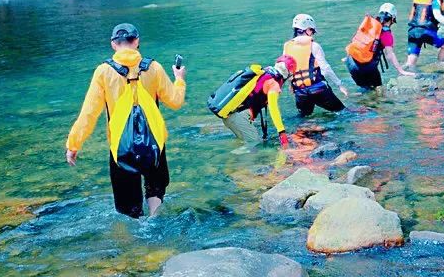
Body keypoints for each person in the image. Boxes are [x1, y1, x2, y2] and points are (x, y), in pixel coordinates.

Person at [65, 23, 186, 219]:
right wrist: (179, 79)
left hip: (120, 146)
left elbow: (89, 113)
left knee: (128, 205)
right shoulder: (153, 67)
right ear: (137, 42)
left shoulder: (103, 71)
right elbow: (175, 101)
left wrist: (74, 144)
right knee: (155, 185)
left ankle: (136, 238)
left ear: (114, 44)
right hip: (154, 142)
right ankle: (155, 218)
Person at [208, 55, 297, 147]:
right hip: (239, 119)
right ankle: (235, 157)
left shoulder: (264, 72)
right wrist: (281, 132)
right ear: (288, 73)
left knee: (243, 143)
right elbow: (273, 109)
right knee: (254, 146)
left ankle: (232, 158)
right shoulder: (274, 84)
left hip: (229, 115)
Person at [283, 14, 349, 116]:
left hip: (300, 92)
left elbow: (287, 69)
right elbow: (326, 69)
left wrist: (291, 86)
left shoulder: (287, 46)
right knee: (344, 113)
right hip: (318, 90)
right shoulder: (314, 46)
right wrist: (339, 85)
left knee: (305, 119)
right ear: (307, 30)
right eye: (312, 31)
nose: (313, 34)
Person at [345, 3, 414, 89]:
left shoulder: (369, 24)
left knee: (365, 90)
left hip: (350, 61)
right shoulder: (386, 33)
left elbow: (357, 39)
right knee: (377, 90)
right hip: (365, 67)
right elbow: (389, 55)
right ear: (393, 18)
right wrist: (401, 70)